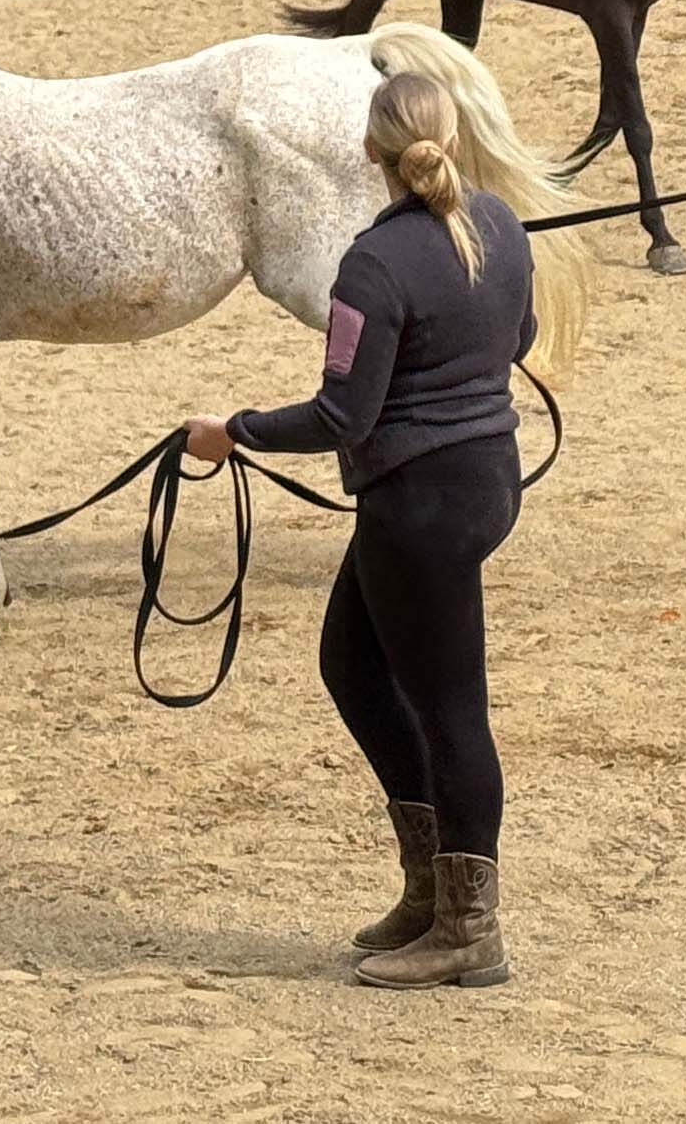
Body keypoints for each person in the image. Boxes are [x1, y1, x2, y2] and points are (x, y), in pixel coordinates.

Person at [183, 70, 551, 991]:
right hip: (484, 481)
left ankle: (470, 926)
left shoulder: (372, 265)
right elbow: (519, 337)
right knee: (351, 662)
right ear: (452, 138)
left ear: (370, 152)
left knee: (450, 706)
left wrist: (235, 431)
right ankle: (430, 886)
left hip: (419, 508)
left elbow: (343, 415)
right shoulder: (503, 226)